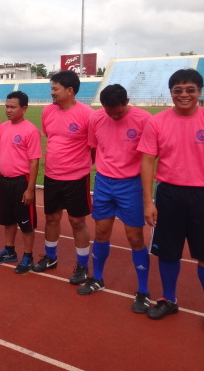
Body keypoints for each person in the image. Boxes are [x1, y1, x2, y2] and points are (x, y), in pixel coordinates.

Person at [138, 68, 204, 338]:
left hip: (203, 197)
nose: (184, 94)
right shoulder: (157, 122)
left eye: (190, 89)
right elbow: (147, 162)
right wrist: (148, 202)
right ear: (170, 92)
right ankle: (169, 299)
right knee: (168, 253)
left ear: (200, 92)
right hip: (168, 194)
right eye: (178, 90)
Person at [78, 84, 152, 314]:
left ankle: (143, 290)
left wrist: (147, 195)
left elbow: (149, 157)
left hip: (131, 185)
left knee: (135, 237)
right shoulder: (96, 118)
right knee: (101, 232)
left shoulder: (144, 119)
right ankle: (97, 278)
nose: (114, 116)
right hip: (104, 183)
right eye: (109, 112)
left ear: (127, 102)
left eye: (118, 112)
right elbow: (94, 148)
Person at [35, 70, 94, 285]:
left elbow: (94, 147)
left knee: (77, 221)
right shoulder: (47, 111)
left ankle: (82, 265)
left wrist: (81, 165)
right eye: (52, 88)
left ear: (69, 90)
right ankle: (50, 257)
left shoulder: (88, 114)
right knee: (51, 217)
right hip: (52, 175)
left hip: (77, 177)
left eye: (55, 89)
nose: (52, 92)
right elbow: (51, 136)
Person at [0, 91, 41, 273]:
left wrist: (30, 189)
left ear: (24, 108)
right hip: (5, 181)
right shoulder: (3, 127)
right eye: (7, 106)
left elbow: (34, 161)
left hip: (21, 182)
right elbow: (0, 154)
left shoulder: (31, 130)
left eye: (13, 107)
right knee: (8, 219)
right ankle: (9, 250)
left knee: (25, 223)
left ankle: (28, 256)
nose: (8, 110)